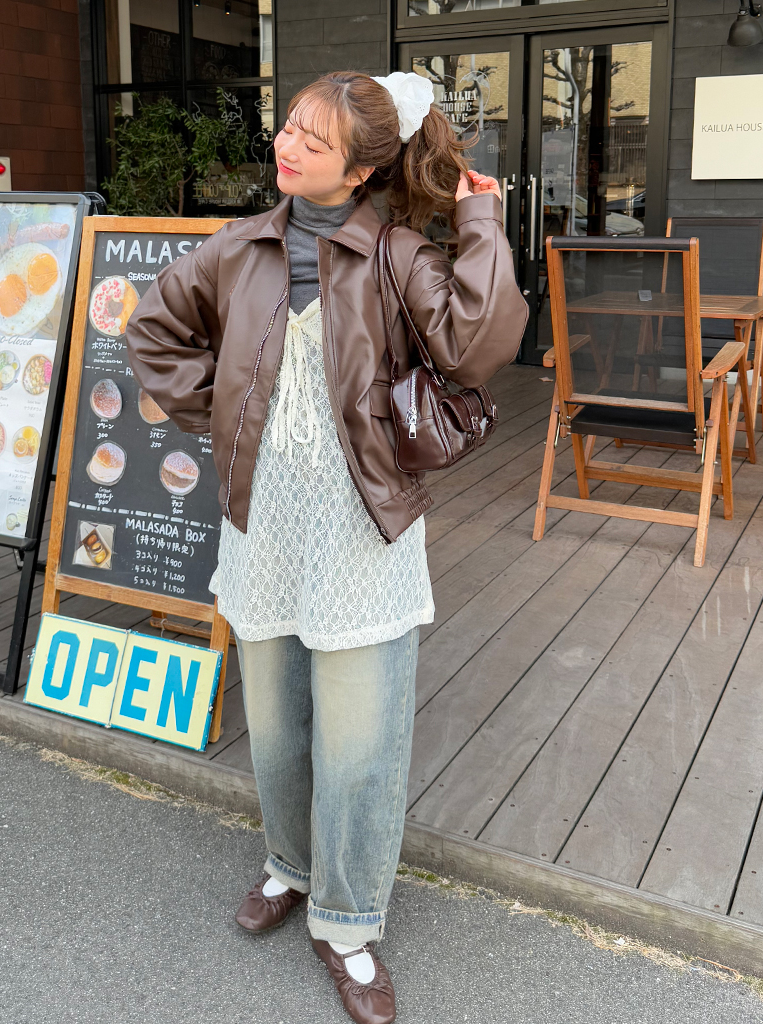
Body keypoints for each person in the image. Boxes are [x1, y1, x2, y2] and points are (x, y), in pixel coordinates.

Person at [126, 69, 528, 1024]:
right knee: (276, 730)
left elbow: (476, 346)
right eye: (290, 127)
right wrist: (226, 413)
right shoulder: (237, 248)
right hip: (261, 527)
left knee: (359, 746)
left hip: (362, 534)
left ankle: (347, 923)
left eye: (314, 138)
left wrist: (481, 224)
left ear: (361, 169)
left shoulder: (398, 256)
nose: (288, 146)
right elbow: (153, 331)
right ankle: (290, 865)